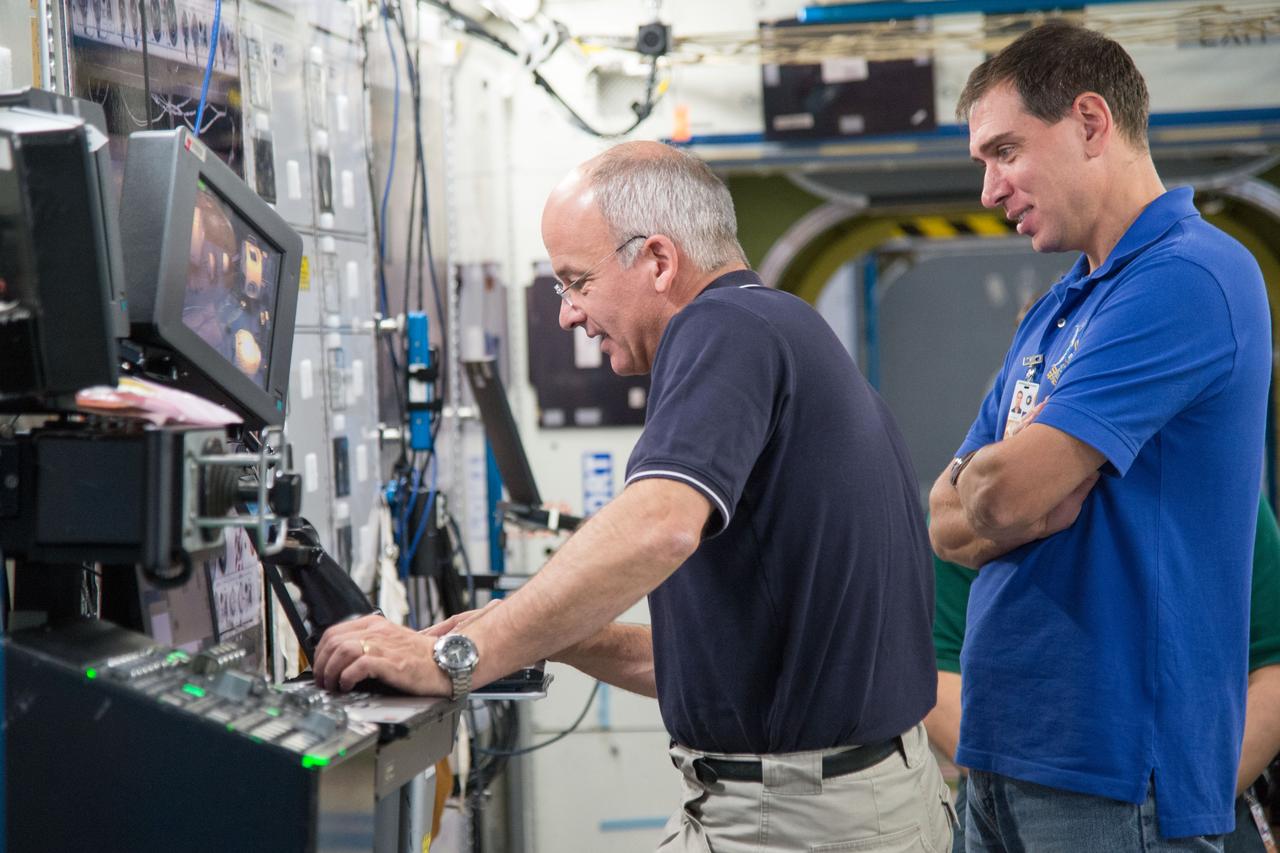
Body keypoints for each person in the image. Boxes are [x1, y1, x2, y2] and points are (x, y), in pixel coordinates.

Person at [314, 140, 953, 851]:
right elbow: (733, 668)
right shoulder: (782, 329)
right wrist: (555, 633)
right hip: (846, 806)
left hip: (800, 824)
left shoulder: (723, 325)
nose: (566, 314)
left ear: (657, 259)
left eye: (576, 281)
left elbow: (658, 527)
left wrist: (458, 655)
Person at [928, 20, 1270, 851]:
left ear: (1089, 121)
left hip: (1115, 771)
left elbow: (1002, 494)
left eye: (1004, 151)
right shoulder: (1058, 311)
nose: (989, 189)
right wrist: (1000, 489)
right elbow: (945, 519)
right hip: (1004, 758)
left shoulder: (1187, 275)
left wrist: (998, 489)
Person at [924, 495, 1280, 853]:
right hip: (1014, 792)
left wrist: (1193, 789)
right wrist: (1023, 776)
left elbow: (1272, 667)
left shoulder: (1211, 485)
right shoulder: (993, 489)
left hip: (1195, 799)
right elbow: (938, 666)